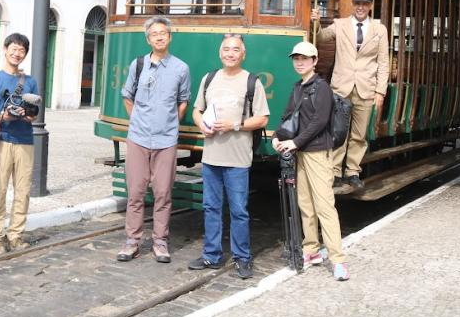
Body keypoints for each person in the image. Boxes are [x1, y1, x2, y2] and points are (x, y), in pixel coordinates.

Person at [189, 33, 269, 279]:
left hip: (237, 159)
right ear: (220, 53)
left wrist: (234, 125)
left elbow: (262, 118)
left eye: (235, 50)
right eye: (226, 49)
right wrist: (201, 124)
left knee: (238, 210)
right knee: (211, 207)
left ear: (243, 54)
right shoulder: (209, 78)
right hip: (211, 157)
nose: (230, 53)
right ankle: (211, 255)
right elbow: (196, 110)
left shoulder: (252, 82)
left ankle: (242, 257)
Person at [273, 41, 349, 281]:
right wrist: (277, 136)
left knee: (324, 206)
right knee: (305, 205)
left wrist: (295, 142)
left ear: (315, 61)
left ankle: (338, 260)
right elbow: (288, 117)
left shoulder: (322, 87)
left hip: (318, 153)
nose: (300, 62)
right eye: (296, 58)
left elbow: (319, 121)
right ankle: (311, 250)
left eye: (305, 58)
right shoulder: (298, 87)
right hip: (302, 154)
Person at [117, 16, 191, 264]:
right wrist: (139, 119)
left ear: (170, 37)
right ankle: (132, 242)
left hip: (166, 140)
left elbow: (183, 102)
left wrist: (168, 123)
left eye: (163, 33)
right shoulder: (138, 65)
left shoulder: (181, 68)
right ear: (148, 39)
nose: (159, 37)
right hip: (138, 138)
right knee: (136, 192)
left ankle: (160, 241)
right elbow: (128, 97)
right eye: (154, 34)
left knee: (163, 193)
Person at [311, 0, 389, 190]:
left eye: (365, 3)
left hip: (366, 88)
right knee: (338, 132)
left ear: (371, 5)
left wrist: (380, 91)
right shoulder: (340, 24)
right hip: (341, 87)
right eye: (357, 3)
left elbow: (383, 62)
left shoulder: (380, 30)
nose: (361, 7)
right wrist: (316, 22)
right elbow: (320, 38)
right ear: (353, 4)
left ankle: (353, 171)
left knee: (359, 134)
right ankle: (335, 171)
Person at [0, 33, 39, 255]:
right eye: (13, 48)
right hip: (1, 140)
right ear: (5, 49)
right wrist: (2, 116)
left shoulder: (30, 82)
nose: (17, 53)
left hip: (25, 140)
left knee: (23, 191)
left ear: (25, 54)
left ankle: (16, 235)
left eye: (21, 50)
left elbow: (34, 114)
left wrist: (27, 115)